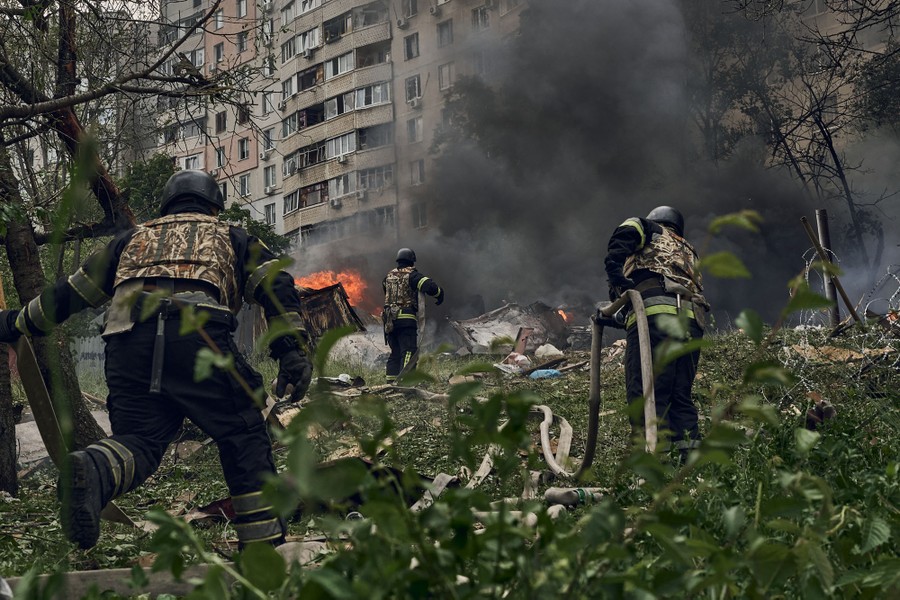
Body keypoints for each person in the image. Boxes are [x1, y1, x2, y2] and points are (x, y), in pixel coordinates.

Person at [0, 170, 312, 549]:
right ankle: (263, 550)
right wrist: (291, 351)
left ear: (166, 205)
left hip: (127, 343)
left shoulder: (131, 239)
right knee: (244, 434)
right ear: (213, 206)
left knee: (141, 439)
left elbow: (72, 292)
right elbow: (275, 284)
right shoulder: (232, 235)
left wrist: (16, 321)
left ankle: (95, 468)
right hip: (197, 334)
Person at [604, 206, 709, 462]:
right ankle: (687, 459)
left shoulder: (649, 229)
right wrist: (619, 314)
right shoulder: (688, 250)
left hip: (654, 318)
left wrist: (614, 268)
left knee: (647, 391)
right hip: (691, 323)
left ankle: (652, 462)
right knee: (678, 393)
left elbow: (626, 232)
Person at [382, 248, 444, 382]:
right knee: (408, 351)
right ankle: (405, 382)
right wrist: (440, 294)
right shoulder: (412, 275)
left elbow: (386, 293)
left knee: (396, 353)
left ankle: (391, 383)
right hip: (405, 321)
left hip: (389, 323)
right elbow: (429, 285)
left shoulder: (387, 277)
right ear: (411, 261)